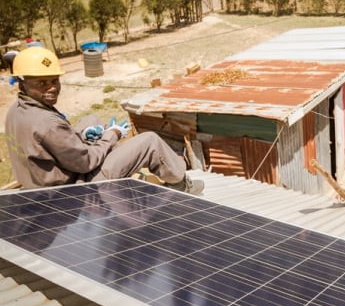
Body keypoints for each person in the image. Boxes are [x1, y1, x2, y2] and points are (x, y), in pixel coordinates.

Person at [4, 46, 204, 195]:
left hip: (41, 182)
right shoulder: (48, 123)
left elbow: (52, 141)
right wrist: (111, 135)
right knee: (149, 141)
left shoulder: (17, 110)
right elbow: (86, 162)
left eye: (54, 80)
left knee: (92, 119)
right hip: (75, 189)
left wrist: (83, 136)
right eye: (42, 83)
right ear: (23, 84)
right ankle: (180, 184)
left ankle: (108, 146)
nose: (52, 88)